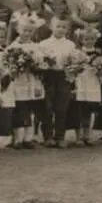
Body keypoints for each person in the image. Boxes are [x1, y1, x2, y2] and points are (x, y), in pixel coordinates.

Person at [7, 15, 47, 150]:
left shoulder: (36, 46)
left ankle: (28, 138)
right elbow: (8, 63)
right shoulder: (13, 47)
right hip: (19, 81)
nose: (27, 33)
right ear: (18, 30)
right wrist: (18, 65)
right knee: (20, 109)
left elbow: (41, 61)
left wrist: (38, 65)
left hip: (33, 81)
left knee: (31, 109)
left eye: (30, 31)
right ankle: (17, 139)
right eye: (24, 30)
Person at [39, 17, 76, 148]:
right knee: (47, 107)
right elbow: (40, 62)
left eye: (64, 27)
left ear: (68, 29)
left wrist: (72, 67)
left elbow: (74, 62)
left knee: (62, 107)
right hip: (48, 76)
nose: (61, 29)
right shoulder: (43, 44)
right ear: (51, 26)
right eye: (58, 26)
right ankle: (48, 136)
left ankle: (60, 136)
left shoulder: (70, 45)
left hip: (63, 76)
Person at [73, 27, 102, 146]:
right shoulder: (77, 52)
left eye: (92, 39)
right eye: (86, 39)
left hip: (93, 82)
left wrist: (100, 68)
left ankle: (87, 134)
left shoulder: (99, 53)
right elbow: (73, 68)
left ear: (95, 39)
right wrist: (79, 66)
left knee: (89, 109)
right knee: (79, 109)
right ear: (81, 40)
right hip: (81, 81)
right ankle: (79, 136)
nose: (89, 41)